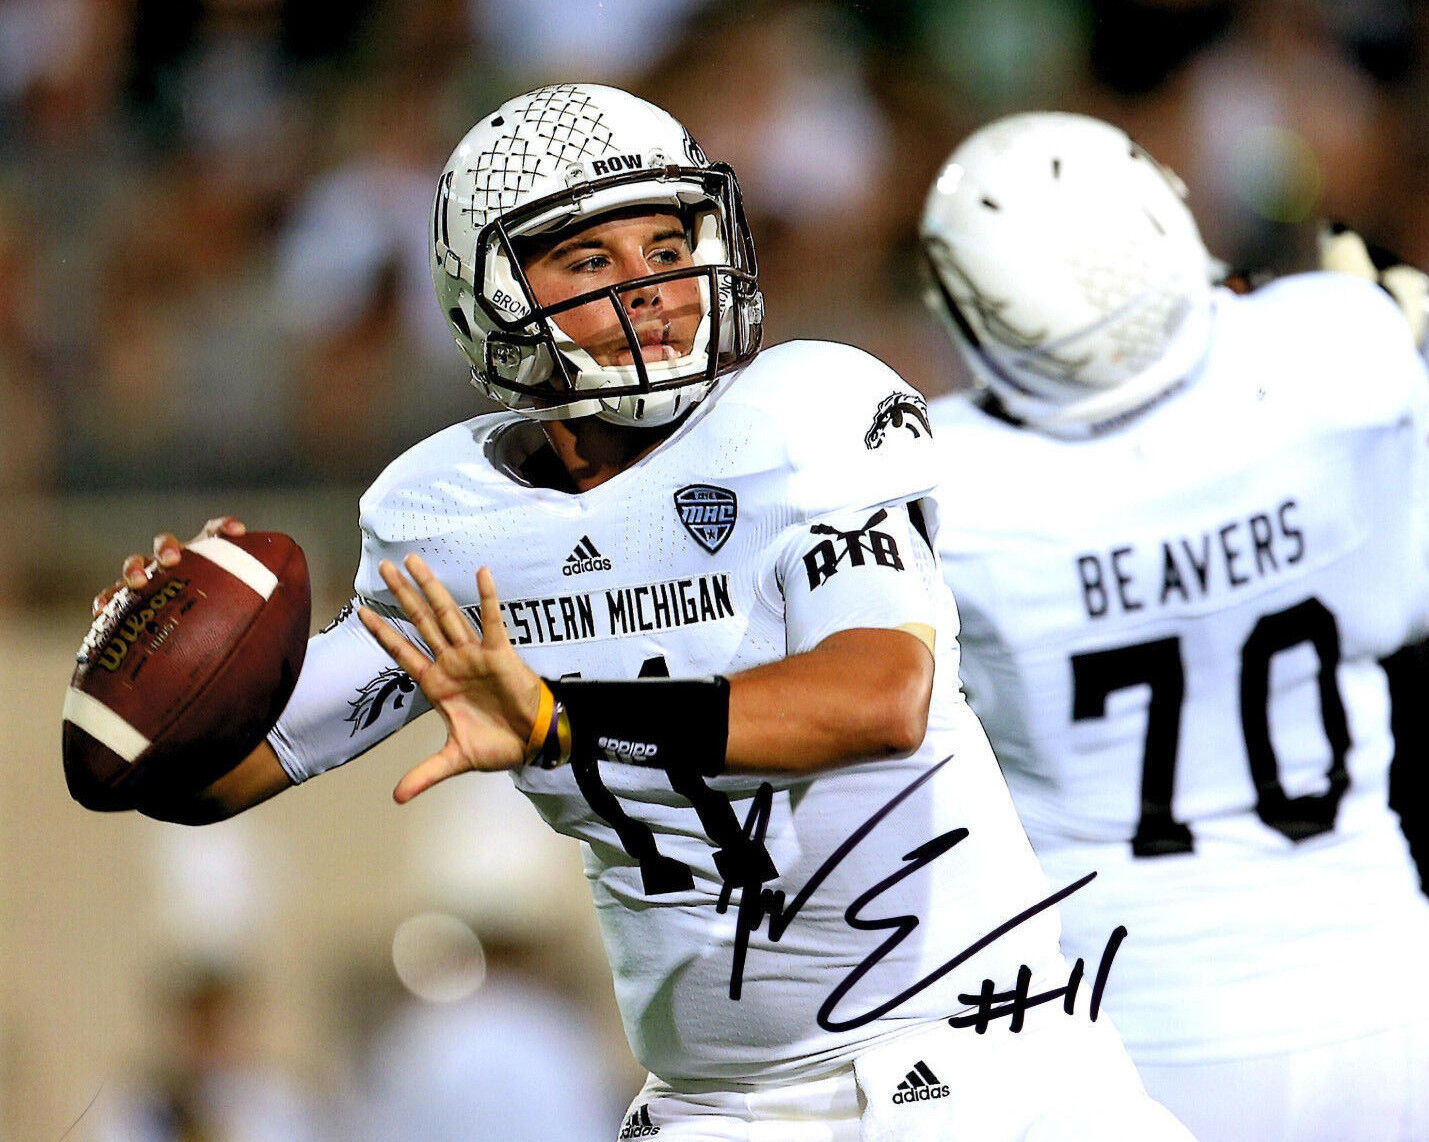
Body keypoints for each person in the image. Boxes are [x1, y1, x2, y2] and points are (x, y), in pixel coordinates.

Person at [90, 85, 1193, 1141]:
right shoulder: (448, 520)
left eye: (668, 247)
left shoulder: (803, 418)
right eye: (591, 256)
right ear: (494, 294)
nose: (651, 285)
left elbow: (878, 696)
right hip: (719, 1103)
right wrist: (134, 688)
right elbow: (228, 772)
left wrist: (561, 718)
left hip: (983, 1059)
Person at [918, 110, 1429, 1141]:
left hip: (1131, 1022)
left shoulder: (937, 481)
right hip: (1383, 985)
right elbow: (1397, 608)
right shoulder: (1338, 344)